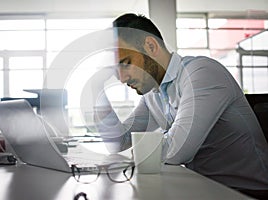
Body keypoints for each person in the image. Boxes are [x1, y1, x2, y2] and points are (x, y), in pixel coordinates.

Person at [86, 13, 268, 199]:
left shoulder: (202, 73)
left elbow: (176, 151)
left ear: (151, 46)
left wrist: (139, 151)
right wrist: (97, 90)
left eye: (126, 63)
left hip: (247, 192)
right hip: (203, 187)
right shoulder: (153, 93)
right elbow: (120, 143)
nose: (122, 79)